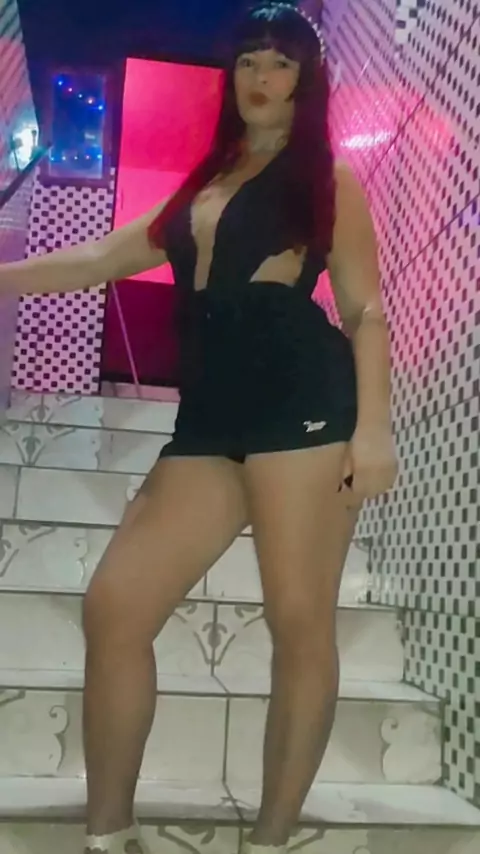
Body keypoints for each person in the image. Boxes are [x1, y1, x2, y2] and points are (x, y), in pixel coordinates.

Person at [0, 4, 398, 852]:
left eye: (280, 63)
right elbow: (100, 258)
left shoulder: (327, 177)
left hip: (304, 407)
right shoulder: (207, 182)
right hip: (211, 417)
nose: (261, 77)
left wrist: (374, 432)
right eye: (248, 60)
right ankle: (110, 835)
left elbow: (365, 311)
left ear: (306, 78)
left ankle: (271, 837)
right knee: (116, 609)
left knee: (299, 623)